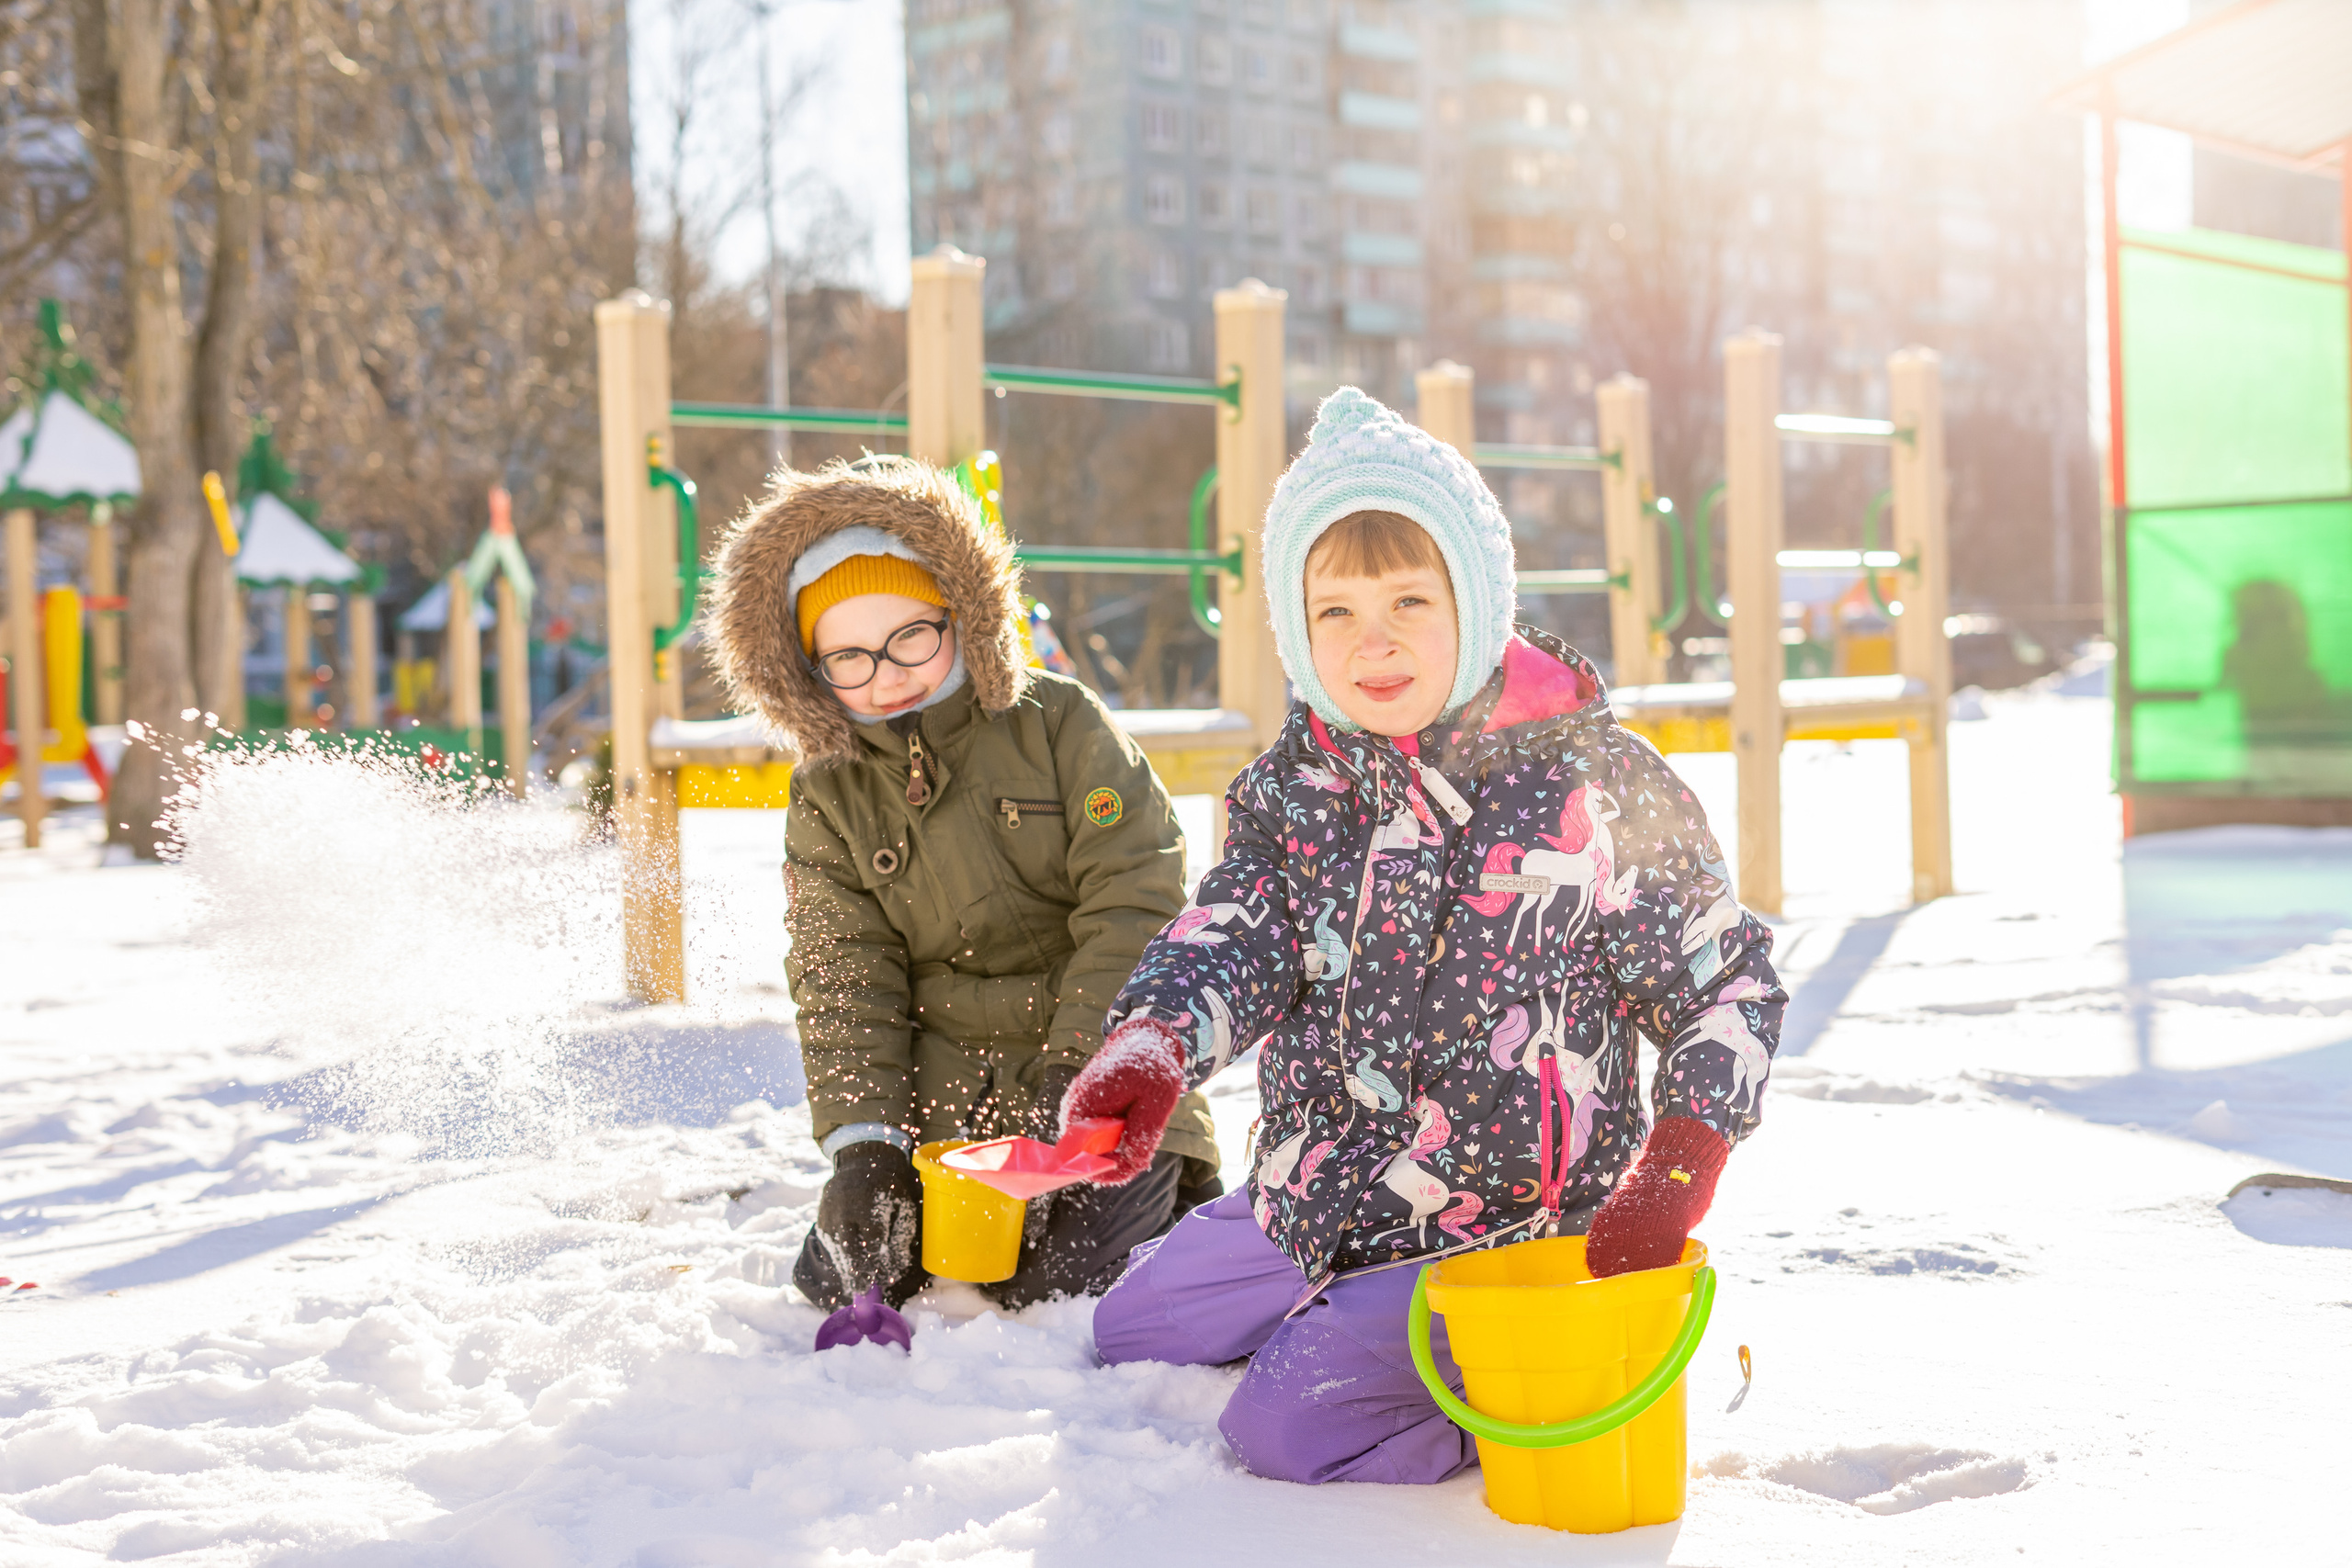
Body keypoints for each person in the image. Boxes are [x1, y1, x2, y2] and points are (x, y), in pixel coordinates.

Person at [1057, 389, 1787, 1484]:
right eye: (1335, 611)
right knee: (1129, 1335)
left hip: (1501, 1226)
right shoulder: (1295, 788)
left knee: (1283, 1426)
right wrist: (1155, 1044)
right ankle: (1331, 1296)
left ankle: (1517, 1396)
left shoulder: (1595, 788)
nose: (1374, 641)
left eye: (1409, 599)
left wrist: (1675, 1169)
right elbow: (1231, 937)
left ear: (1478, 605)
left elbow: (1725, 987)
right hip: (1316, 1189)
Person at [703, 455, 1221, 1314]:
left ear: (960, 615)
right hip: (949, 1106)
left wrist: (1083, 1063)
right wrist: (867, 1146)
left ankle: (1170, 1200)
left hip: (1092, 1085)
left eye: (910, 635)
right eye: (849, 657)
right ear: (808, 669)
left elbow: (1137, 894)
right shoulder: (829, 792)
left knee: (1058, 1283)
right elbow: (844, 974)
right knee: (854, 1272)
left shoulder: (1059, 726)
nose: (886, 673)